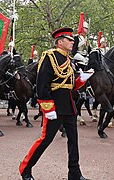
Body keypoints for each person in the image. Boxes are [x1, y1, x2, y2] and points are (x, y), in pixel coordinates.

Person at [19, 27, 93, 180]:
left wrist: (82, 79)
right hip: (54, 106)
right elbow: (42, 85)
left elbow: (70, 86)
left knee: (73, 141)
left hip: (69, 105)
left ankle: (75, 174)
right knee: (46, 139)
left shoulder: (69, 60)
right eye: (69, 39)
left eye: (73, 39)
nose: (73, 42)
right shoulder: (49, 57)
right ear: (60, 42)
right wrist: (48, 107)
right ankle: (25, 169)